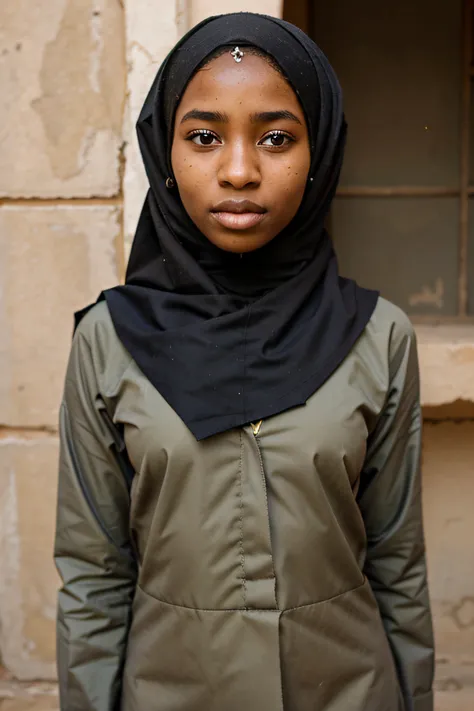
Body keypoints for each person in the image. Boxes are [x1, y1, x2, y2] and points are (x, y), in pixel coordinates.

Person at [54, 12, 435, 711]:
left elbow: (398, 566)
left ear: (318, 151)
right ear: (163, 149)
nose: (238, 170)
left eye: (277, 138)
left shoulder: (378, 338)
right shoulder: (108, 341)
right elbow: (93, 578)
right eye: (204, 136)